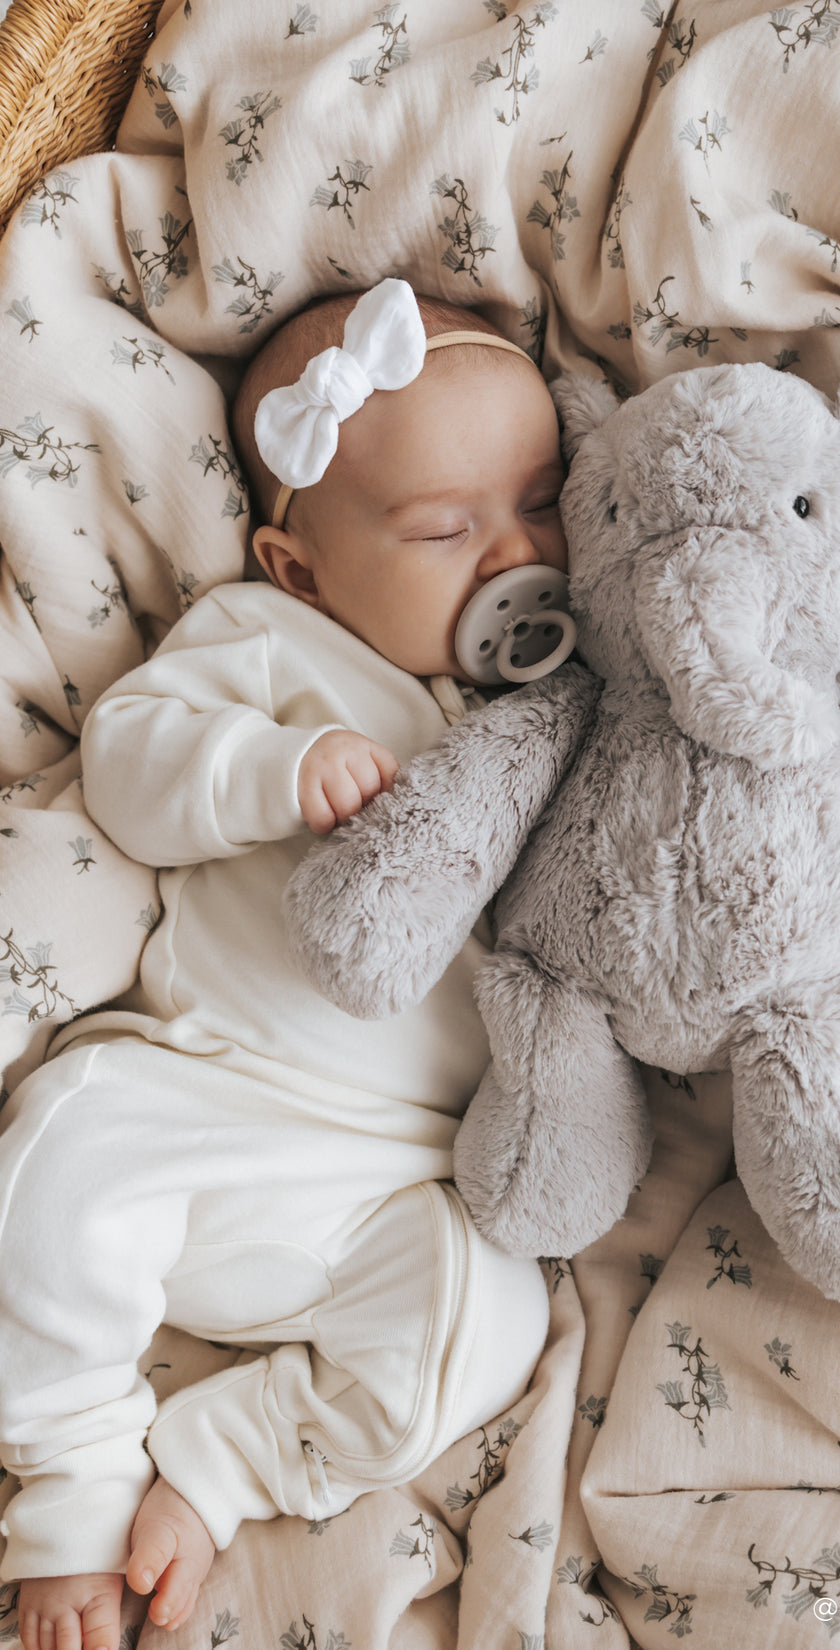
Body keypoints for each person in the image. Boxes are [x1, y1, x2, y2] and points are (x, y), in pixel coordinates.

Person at [2, 279, 568, 1650]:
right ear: (299, 564)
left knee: (492, 1317)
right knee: (60, 1158)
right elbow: (130, 765)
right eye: (444, 529)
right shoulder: (267, 647)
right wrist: (270, 767)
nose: (513, 558)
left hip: (397, 1183)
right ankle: (72, 1487)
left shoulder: (561, 712)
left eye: (540, 504)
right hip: (209, 1099)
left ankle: (222, 1463)